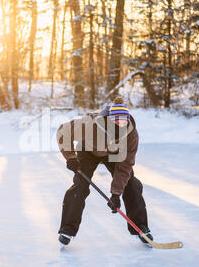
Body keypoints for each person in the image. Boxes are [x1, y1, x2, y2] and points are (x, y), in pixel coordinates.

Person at [56, 97, 153, 245]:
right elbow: (63, 132)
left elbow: (125, 165)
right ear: (108, 120)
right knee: (80, 185)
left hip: (114, 154)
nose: (121, 126)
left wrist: (116, 193)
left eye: (123, 122)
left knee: (131, 185)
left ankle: (140, 227)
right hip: (88, 151)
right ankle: (67, 230)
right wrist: (70, 157)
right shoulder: (90, 125)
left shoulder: (131, 135)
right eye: (117, 122)